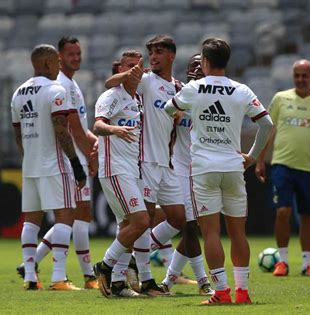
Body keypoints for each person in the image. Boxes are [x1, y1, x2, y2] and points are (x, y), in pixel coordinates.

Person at [164, 38, 273, 305]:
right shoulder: (242, 90)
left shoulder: (194, 88)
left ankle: (222, 292)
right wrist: (252, 156)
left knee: (211, 233)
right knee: (238, 232)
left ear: (206, 61)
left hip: (203, 169)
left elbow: (169, 108)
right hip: (233, 166)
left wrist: (186, 110)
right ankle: (243, 292)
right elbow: (267, 124)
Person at [104, 35, 194, 296]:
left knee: (179, 218)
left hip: (165, 164)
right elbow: (110, 84)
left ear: (171, 56)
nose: (154, 56)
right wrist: (130, 73)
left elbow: (177, 123)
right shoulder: (144, 80)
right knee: (144, 219)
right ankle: (140, 277)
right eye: (151, 52)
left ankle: (129, 259)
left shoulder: (178, 87)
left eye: (159, 52)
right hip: (143, 161)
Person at [20, 37, 100, 290]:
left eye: (79, 53)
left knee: (71, 214)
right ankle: (81, 275)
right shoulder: (59, 87)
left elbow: (18, 132)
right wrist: (85, 158)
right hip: (63, 159)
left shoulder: (33, 89)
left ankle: (30, 270)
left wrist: (94, 142)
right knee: (72, 214)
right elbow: (72, 129)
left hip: (36, 162)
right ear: (56, 59)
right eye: (69, 54)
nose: (76, 58)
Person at [255, 59, 310, 277]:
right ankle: (283, 261)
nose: (300, 79)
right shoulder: (281, 99)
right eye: (296, 75)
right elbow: (268, 131)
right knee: (283, 211)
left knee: (308, 215)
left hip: (308, 168)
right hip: (282, 165)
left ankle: (307, 264)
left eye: (304, 75)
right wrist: (260, 159)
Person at [92, 50, 151, 298]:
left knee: (127, 225)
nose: (136, 70)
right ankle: (104, 266)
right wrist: (114, 129)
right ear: (120, 70)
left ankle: (117, 283)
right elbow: (97, 125)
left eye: (139, 66)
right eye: (130, 66)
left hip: (131, 168)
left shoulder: (136, 98)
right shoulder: (112, 95)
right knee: (141, 222)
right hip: (115, 169)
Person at [159, 53, 214, 295]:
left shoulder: (215, 96)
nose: (198, 70)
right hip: (180, 167)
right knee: (190, 227)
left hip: (204, 168)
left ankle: (167, 280)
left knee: (193, 228)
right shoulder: (179, 96)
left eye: (201, 65)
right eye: (194, 66)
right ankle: (203, 282)